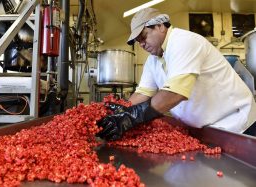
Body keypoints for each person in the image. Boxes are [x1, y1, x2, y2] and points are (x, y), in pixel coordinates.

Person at [96, 8, 256, 141]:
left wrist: (130, 118)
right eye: (138, 41)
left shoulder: (183, 41)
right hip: (207, 131)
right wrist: (120, 112)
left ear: (159, 26)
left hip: (238, 126)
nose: (142, 44)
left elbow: (175, 93)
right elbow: (142, 93)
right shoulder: (153, 60)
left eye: (143, 37)